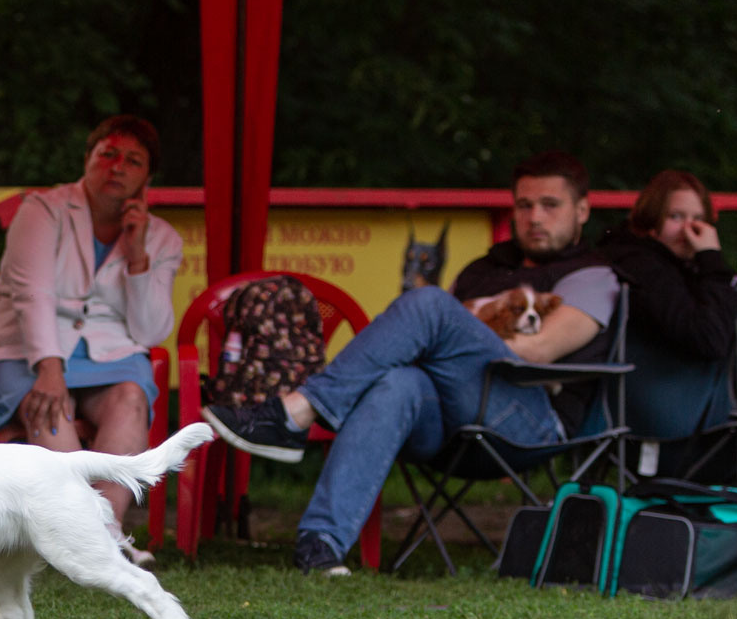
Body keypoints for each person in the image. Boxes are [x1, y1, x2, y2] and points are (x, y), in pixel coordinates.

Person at [202, 150, 619, 575]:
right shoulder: (484, 269)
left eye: (550, 205)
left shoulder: (592, 275)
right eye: (525, 205)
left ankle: (298, 410)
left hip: (528, 423)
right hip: (448, 421)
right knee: (396, 383)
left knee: (429, 304)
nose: (535, 217)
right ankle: (321, 544)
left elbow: (539, 350)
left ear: (582, 210)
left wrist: (455, 329)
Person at [0, 115, 184, 565]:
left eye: (133, 160)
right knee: (54, 408)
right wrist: (50, 369)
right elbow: (33, 294)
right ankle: (92, 537)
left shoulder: (162, 237)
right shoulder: (42, 210)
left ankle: (104, 533)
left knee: (130, 398)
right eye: (107, 154)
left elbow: (149, 332)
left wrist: (138, 255)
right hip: (28, 348)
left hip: (111, 354)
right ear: (87, 159)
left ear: (148, 177)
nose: (117, 166)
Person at [600, 170, 737, 469]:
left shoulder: (675, 270)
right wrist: (711, 258)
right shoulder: (644, 269)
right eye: (676, 217)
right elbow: (709, 339)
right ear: (649, 223)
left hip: (681, 413)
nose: (689, 229)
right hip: (672, 426)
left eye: (698, 218)